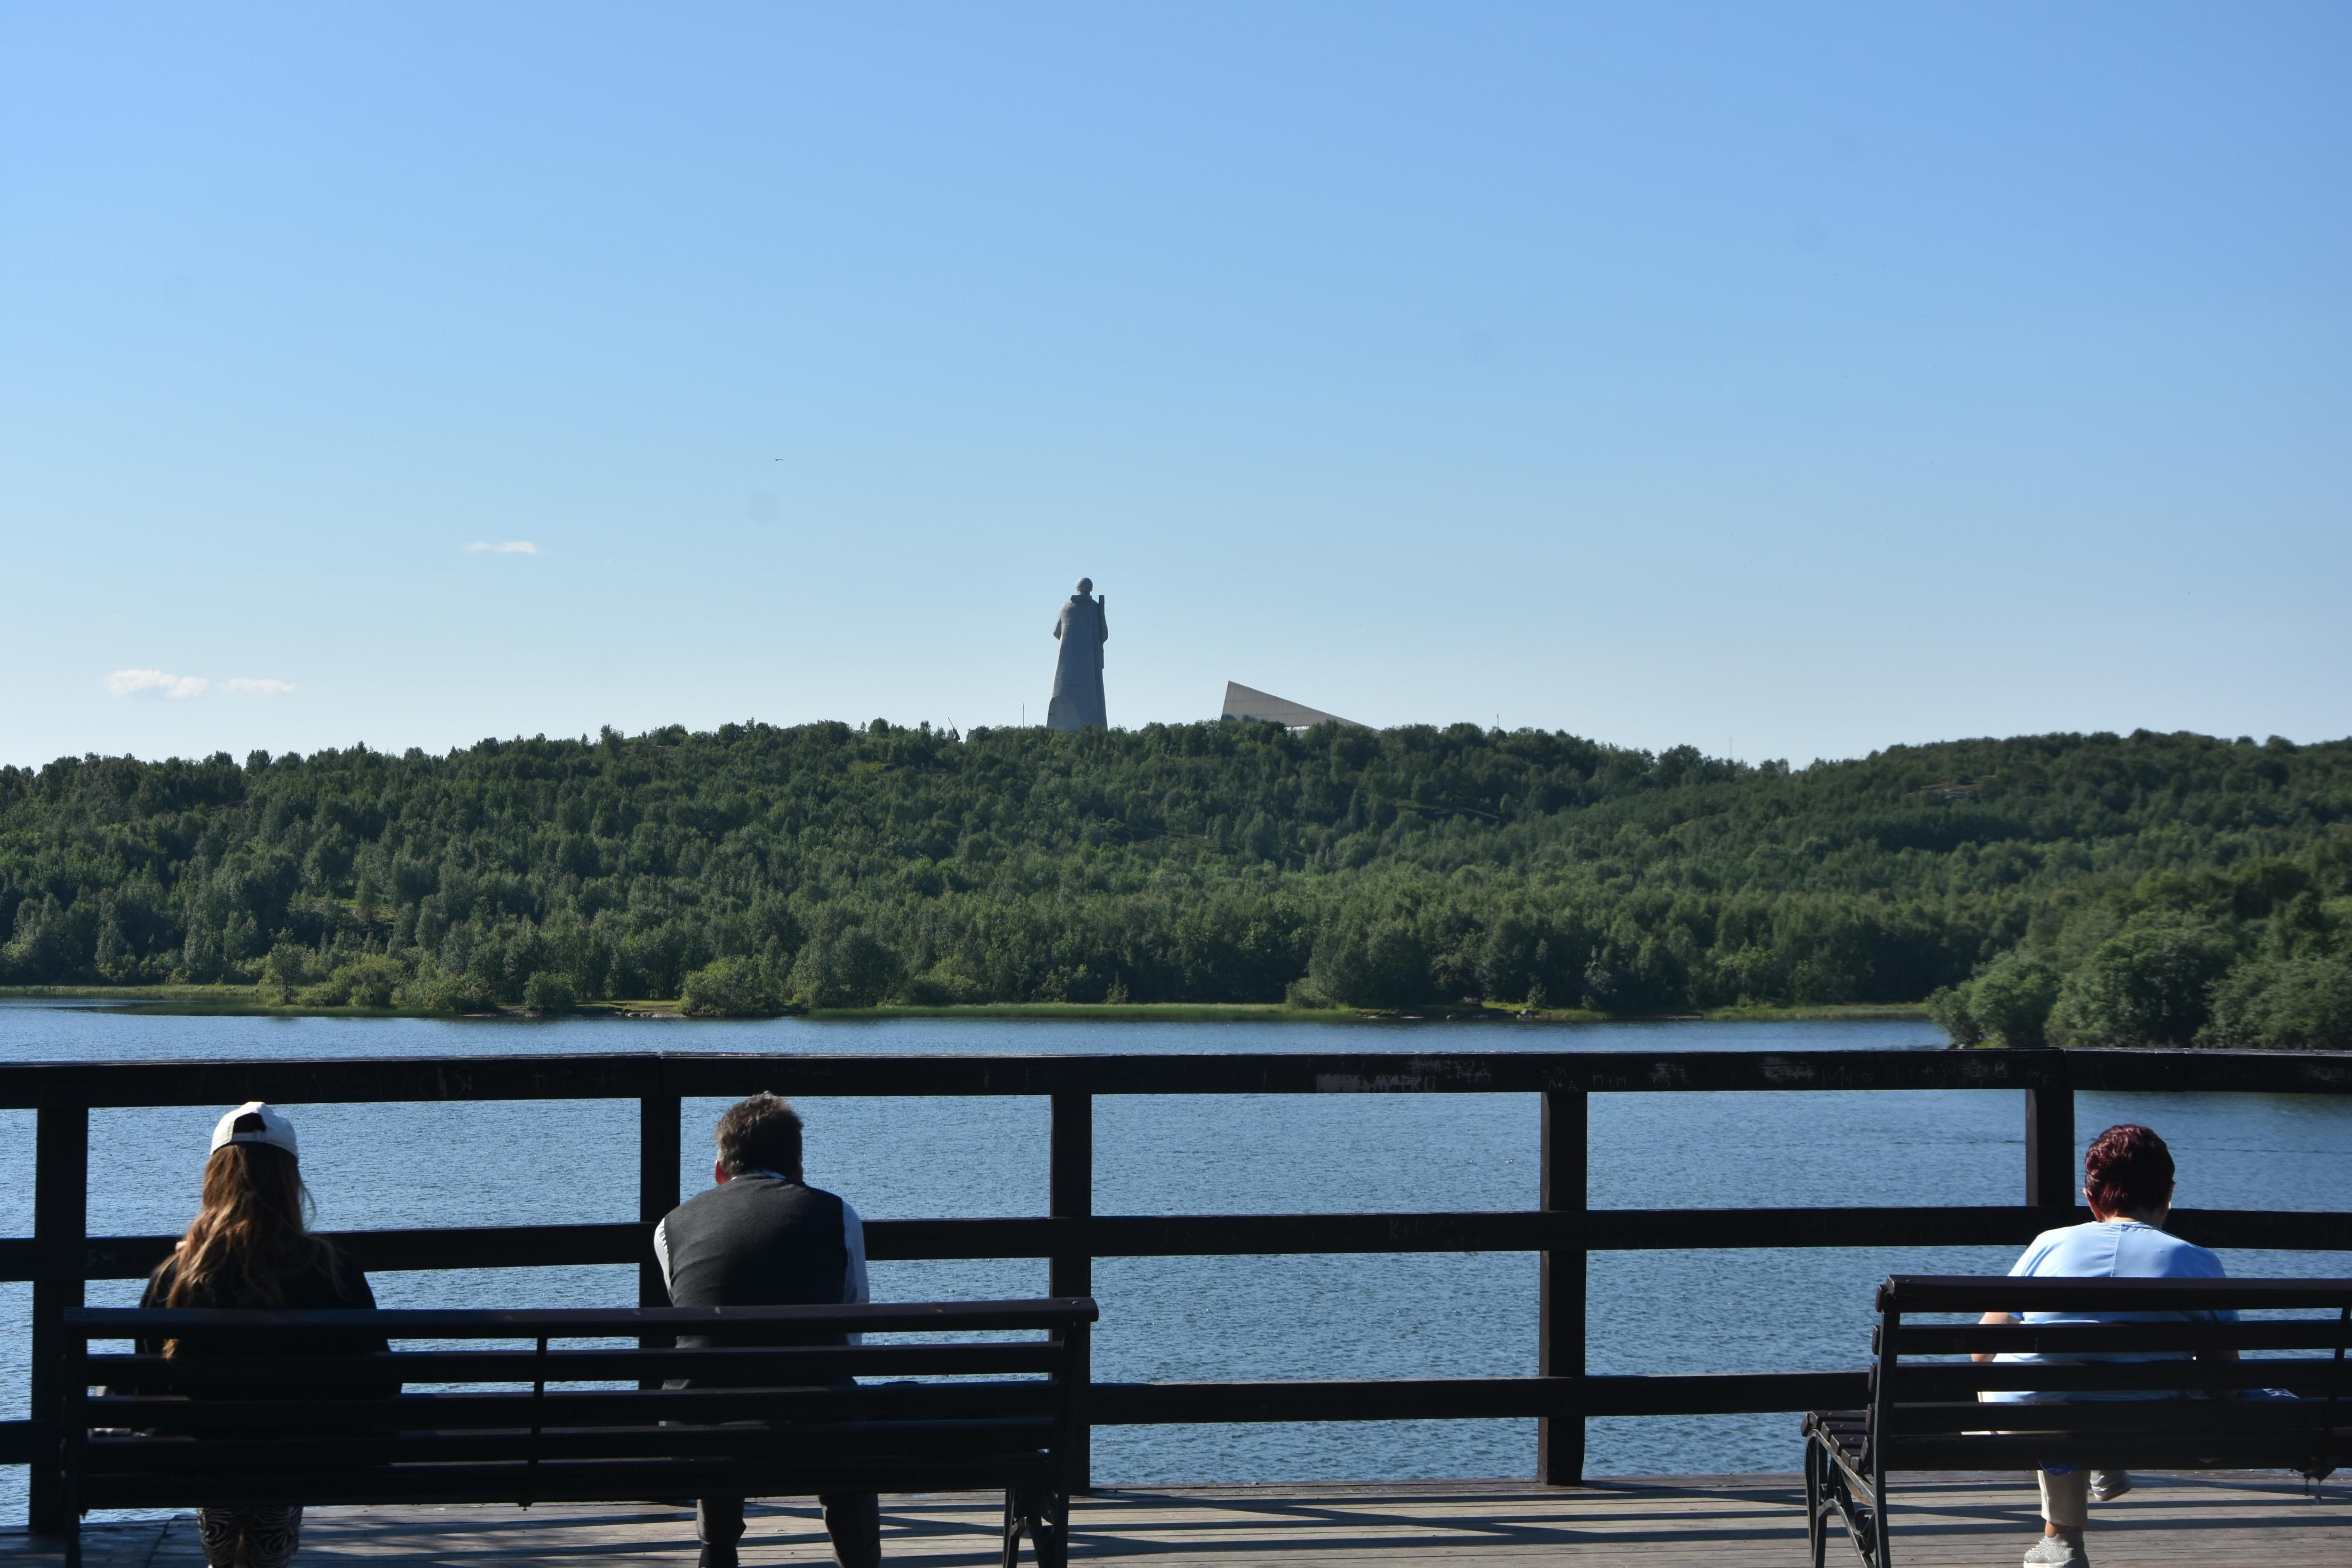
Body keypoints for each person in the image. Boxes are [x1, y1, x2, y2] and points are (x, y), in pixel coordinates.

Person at [1973, 1124, 2234, 1568]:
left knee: (2047, 1385)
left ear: (2091, 1197)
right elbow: (2225, 1375)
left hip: (2037, 1417)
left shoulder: (2050, 1244)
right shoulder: (2197, 1261)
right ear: (2168, 1194)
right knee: (2111, 1389)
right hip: (2149, 1421)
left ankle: (2062, 1542)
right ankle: (2107, 1455)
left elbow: (1982, 1349)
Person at [141, 1102, 387, 1568]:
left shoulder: (178, 1276)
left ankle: (221, 1549)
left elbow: (150, 1384)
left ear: (213, 1178)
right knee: (285, 1442)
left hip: (204, 1460)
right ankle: (267, 1552)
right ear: (290, 1181)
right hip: (302, 1458)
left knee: (214, 1440)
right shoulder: (333, 1270)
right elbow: (379, 1380)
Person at [654, 1093, 878, 1568]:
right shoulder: (837, 1215)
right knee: (841, 1405)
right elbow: (853, 1323)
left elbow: (690, 1322)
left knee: (712, 1390)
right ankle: (859, 1559)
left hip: (697, 1431)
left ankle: (717, 1550)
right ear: (798, 1166)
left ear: (719, 1169)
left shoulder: (671, 1227)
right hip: (816, 1426)